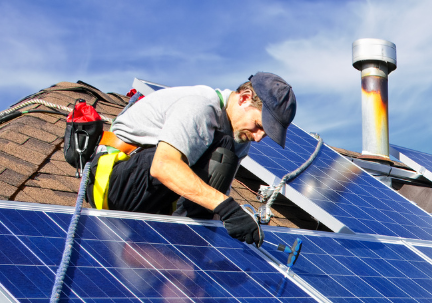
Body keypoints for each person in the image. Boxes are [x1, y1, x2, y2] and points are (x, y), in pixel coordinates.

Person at [88, 73, 296, 246]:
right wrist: (228, 208)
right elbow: (164, 165)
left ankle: (184, 247)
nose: (259, 137)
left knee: (225, 152)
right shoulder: (201, 106)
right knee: (221, 149)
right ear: (243, 98)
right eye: (259, 126)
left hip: (152, 196)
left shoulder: (239, 138)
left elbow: (216, 198)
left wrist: (226, 245)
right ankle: (179, 244)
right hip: (112, 183)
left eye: (265, 134)